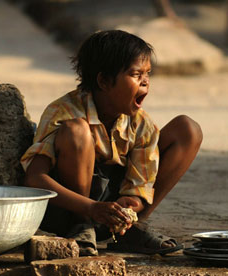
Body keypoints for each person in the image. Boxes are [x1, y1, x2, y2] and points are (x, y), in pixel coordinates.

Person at [20, 30, 202, 256]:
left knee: (188, 129)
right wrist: (91, 209)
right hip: (67, 210)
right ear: (104, 81)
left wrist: (132, 204)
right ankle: (82, 227)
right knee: (78, 131)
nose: (145, 81)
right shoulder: (63, 111)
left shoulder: (139, 122)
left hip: (111, 214)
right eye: (136, 74)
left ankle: (132, 230)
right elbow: (34, 178)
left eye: (148, 74)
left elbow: (141, 181)